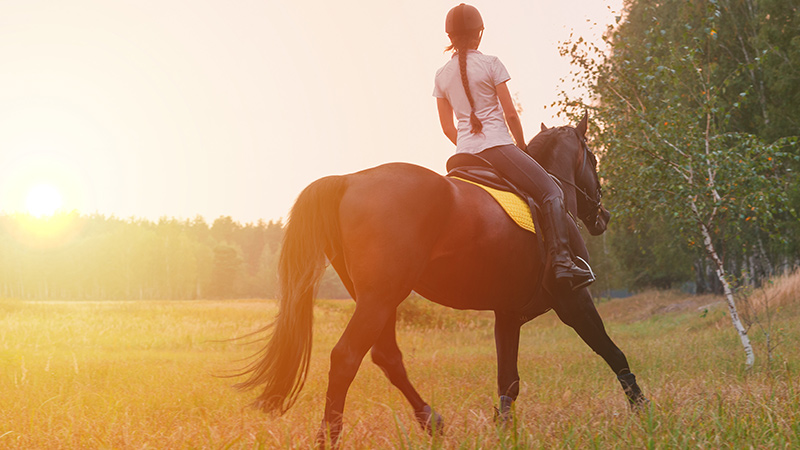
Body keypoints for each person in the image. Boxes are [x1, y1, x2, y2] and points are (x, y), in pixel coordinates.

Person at [433, 3, 594, 290]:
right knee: (552, 192)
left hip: (462, 157)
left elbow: (447, 128)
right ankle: (562, 261)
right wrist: (521, 146)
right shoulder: (492, 63)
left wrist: (468, 144)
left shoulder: (441, 75)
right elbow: (510, 114)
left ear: (450, 37)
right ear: (478, 34)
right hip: (499, 149)